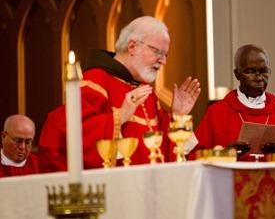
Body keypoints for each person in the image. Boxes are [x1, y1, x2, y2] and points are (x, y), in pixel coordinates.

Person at [38, 16, 201, 172]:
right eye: (157, 52)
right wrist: (119, 117)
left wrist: (176, 116)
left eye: (165, 55)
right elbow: (74, 137)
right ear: (132, 47)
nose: (163, 61)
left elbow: (159, 150)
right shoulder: (94, 81)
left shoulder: (146, 91)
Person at [189, 44, 275, 161]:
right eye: (251, 72)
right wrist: (224, 154)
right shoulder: (217, 112)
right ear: (237, 74)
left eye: (263, 71)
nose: (259, 78)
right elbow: (196, 157)